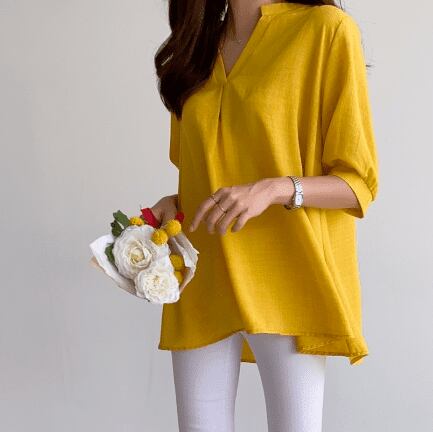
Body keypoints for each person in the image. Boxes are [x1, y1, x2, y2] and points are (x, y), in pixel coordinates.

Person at [151, 1, 379, 431]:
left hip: (287, 280)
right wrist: (174, 202)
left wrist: (274, 189)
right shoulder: (197, 45)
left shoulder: (326, 30)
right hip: (202, 281)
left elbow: (357, 183)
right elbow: (206, 169)